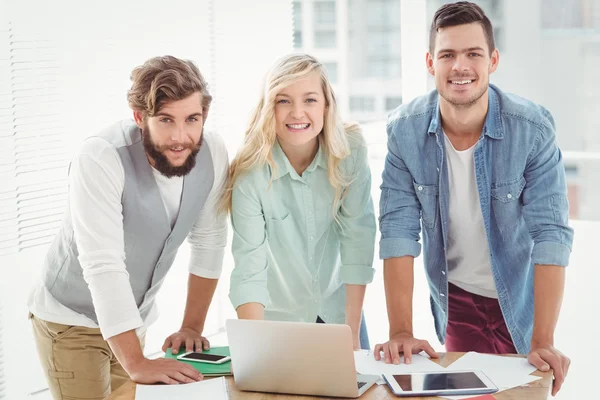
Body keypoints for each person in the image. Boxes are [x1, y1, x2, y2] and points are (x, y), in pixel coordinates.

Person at [374, 2, 573, 396]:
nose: (459, 66)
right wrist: (400, 330)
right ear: (431, 62)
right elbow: (397, 230)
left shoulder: (532, 129)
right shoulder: (403, 132)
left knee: (522, 393)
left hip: (518, 294)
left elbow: (551, 234)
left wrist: (544, 339)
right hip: (457, 298)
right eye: (447, 54)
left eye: (473, 54)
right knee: (466, 395)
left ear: (493, 60)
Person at [27, 55, 229, 399]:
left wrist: (192, 326)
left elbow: (209, 240)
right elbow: (103, 263)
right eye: (165, 120)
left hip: (130, 321)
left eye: (191, 119)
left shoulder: (212, 152)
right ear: (140, 117)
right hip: (71, 319)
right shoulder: (101, 157)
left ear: (204, 116)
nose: (180, 136)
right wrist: (136, 361)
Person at [223, 53, 376, 350]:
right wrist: (254, 350)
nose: (297, 113)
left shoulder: (350, 151)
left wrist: (353, 336)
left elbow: (358, 241)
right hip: (278, 325)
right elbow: (249, 269)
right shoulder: (250, 175)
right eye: (283, 100)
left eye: (309, 100)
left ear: (326, 105)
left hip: (341, 317)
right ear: (269, 108)